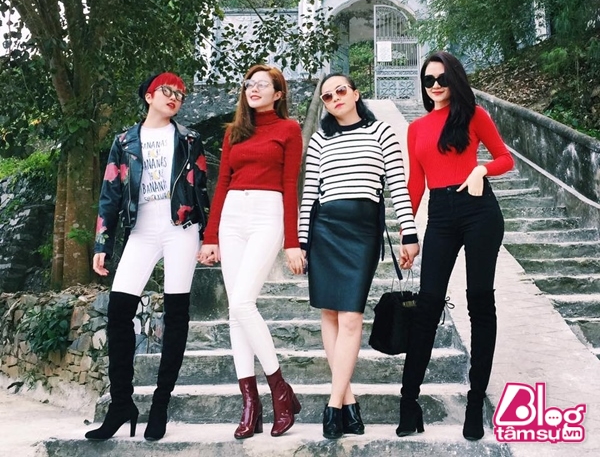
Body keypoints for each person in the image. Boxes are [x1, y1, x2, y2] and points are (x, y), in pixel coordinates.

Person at [396, 51, 514, 441]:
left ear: (455, 80)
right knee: (427, 305)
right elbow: (415, 183)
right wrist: (408, 232)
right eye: (428, 80)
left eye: (442, 79)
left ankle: (475, 402)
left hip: (479, 211)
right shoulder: (417, 128)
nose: (434, 86)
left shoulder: (474, 115)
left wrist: (481, 169)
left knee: (479, 300)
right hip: (441, 215)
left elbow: (505, 159)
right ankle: (409, 402)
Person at [86, 72, 210, 442]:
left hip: (181, 230)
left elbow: (201, 191)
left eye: (180, 94)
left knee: (177, 315)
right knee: (119, 312)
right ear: (149, 96)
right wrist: (102, 244)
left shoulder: (190, 139)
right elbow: (110, 192)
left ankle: (160, 404)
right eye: (167, 91)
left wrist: (209, 237)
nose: (175, 98)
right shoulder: (124, 141)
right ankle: (121, 404)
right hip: (140, 232)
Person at [298, 73, 420, 439]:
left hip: (363, 231)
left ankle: (333, 405)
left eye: (340, 91)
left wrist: (409, 233)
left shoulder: (381, 132)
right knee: (329, 313)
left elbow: (397, 186)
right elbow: (310, 192)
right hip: (325, 229)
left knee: (351, 317)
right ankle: (346, 402)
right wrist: (302, 241)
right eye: (327, 96)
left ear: (355, 94)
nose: (334, 98)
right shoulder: (320, 139)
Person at [198, 64, 304, 439]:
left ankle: (280, 391)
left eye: (262, 84)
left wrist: (292, 242)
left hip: (267, 214)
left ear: (278, 93)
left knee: (243, 303)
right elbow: (222, 184)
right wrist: (210, 237)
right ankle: (251, 405)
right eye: (249, 84)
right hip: (232, 217)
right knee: (235, 312)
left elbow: (290, 185)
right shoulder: (234, 132)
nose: (253, 88)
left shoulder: (289, 130)